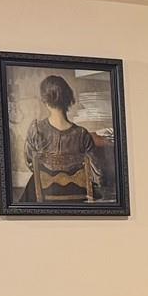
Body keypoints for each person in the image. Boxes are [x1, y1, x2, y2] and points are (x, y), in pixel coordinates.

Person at [22, 73, 100, 202]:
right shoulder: (82, 134)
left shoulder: (36, 130)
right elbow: (96, 171)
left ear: (45, 101)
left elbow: (30, 162)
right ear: (68, 99)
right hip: (76, 195)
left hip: (44, 193)